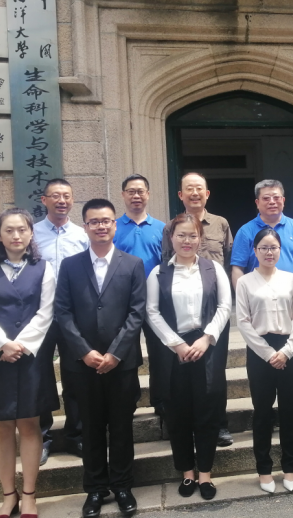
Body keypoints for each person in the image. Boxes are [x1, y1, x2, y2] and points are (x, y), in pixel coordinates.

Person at [55, 199, 146, 518]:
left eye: (106, 220)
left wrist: (116, 353)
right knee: (90, 427)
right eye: (94, 221)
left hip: (122, 363)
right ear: (85, 227)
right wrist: (84, 351)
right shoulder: (70, 265)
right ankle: (95, 489)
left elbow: (137, 312)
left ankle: (122, 485)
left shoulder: (133, 264)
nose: (101, 226)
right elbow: (62, 312)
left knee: (121, 426)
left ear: (115, 225)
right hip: (84, 364)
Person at [0, 208, 57, 518]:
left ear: (31, 233)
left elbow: (46, 312)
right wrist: (3, 344)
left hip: (29, 357)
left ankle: (29, 495)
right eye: (9, 230)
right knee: (2, 426)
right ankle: (8, 495)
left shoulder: (43, 268)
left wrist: (21, 345)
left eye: (22, 230)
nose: (16, 235)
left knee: (30, 424)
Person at [146, 214, 232, 501]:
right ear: (171, 238)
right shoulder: (158, 273)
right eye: (181, 235)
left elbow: (224, 306)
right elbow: (152, 312)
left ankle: (205, 473)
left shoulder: (213, 269)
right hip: (174, 352)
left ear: (200, 238)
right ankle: (187, 473)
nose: (187, 240)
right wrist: (177, 344)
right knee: (178, 414)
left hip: (206, 348)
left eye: (192, 235)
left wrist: (207, 338)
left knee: (207, 412)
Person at [231, 179, 293, 437]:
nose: (272, 201)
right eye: (266, 198)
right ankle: (265, 418)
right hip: (258, 300)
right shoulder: (246, 231)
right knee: (262, 372)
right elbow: (237, 267)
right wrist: (244, 297)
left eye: (276, 197)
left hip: (291, 297)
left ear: (283, 200)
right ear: (257, 202)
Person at [162, 172, 235, 448]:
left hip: (215, 307)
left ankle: (219, 425)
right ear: (180, 195)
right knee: (183, 375)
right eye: (189, 189)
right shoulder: (171, 227)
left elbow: (229, 260)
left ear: (207, 194)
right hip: (182, 306)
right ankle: (184, 425)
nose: (195, 193)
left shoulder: (221, 223)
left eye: (199, 189)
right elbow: (165, 263)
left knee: (215, 372)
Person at [236, 228, 293, 494]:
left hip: (289, 350)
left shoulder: (290, 279)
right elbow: (243, 321)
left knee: (289, 411)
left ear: (279, 250)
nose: (269, 252)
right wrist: (267, 354)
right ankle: (264, 469)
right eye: (263, 248)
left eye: (273, 247)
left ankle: (290, 467)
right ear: (255, 251)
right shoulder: (245, 282)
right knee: (262, 412)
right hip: (259, 352)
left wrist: (287, 350)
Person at [34, 178, 89, 465]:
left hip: (73, 317)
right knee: (39, 376)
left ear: (72, 200)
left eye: (66, 196)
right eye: (55, 196)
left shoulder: (82, 235)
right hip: (40, 317)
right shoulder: (31, 234)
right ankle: (41, 437)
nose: (61, 201)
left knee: (75, 375)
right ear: (44, 200)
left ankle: (76, 434)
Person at [113, 174, 166, 429]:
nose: (136, 196)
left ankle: (162, 402)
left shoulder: (163, 228)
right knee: (126, 353)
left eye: (141, 191)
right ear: (123, 195)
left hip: (156, 301)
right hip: (122, 302)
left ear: (148, 194)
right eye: (131, 191)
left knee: (160, 352)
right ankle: (127, 402)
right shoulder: (112, 227)